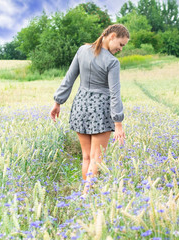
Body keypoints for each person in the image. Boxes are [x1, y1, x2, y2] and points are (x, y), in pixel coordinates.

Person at [49, 24, 130, 195]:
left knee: (86, 157)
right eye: (121, 44)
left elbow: (69, 78)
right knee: (96, 159)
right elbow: (115, 94)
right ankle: (86, 197)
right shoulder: (112, 62)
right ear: (112, 36)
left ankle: (85, 195)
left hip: (80, 106)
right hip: (100, 109)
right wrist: (118, 123)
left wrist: (58, 102)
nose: (121, 49)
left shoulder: (82, 50)